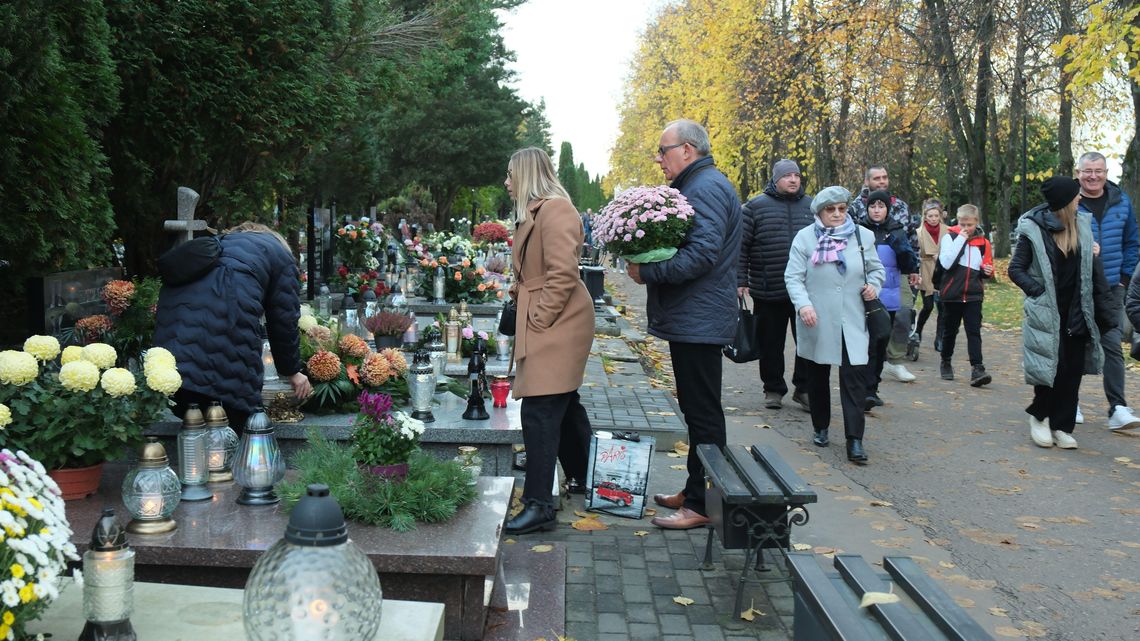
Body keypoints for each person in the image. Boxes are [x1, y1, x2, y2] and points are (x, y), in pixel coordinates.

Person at [626, 119, 741, 529]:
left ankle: (702, 504)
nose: (659, 159)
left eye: (664, 150)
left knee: (703, 413)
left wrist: (647, 272)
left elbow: (702, 255)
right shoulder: (698, 184)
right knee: (695, 410)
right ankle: (696, 489)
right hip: (695, 316)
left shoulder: (704, 187)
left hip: (700, 317)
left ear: (687, 150)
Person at [502, 147, 596, 535]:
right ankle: (589, 476)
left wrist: (538, 318)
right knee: (562, 401)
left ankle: (539, 504)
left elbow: (563, 274)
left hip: (559, 321)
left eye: (511, 175)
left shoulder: (555, 210)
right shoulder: (536, 212)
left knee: (540, 409)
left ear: (526, 175)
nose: (506, 182)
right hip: (549, 318)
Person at [154, 222, 312, 434]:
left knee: (193, 435)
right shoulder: (277, 252)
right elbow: (283, 319)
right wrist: (292, 371)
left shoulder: (213, 248)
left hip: (174, 364)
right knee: (233, 436)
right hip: (225, 362)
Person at [1008, 176, 1115, 449]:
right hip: (1048, 312)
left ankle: (1062, 426)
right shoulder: (1034, 229)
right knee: (1051, 367)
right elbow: (1015, 269)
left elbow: (1088, 269)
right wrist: (1039, 293)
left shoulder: (1082, 225)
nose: (1080, 198)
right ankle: (1040, 417)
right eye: (1076, 195)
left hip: (1078, 310)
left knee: (1073, 371)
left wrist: (1093, 253)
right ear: (1065, 201)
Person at [785, 186, 884, 463]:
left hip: (853, 318)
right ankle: (821, 426)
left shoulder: (862, 236)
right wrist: (803, 305)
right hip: (817, 317)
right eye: (831, 209)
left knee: (854, 379)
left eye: (842, 208)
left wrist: (874, 286)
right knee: (817, 375)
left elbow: (876, 270)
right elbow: (793, 277)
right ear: (819, 212)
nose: (838, 214)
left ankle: (855, 440)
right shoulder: (805, 238)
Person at [737, 159, 814, 412]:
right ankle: (773, 388)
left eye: (797, 175)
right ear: (775, 179)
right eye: (787, 176)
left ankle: (804, 389)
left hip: (805, 290)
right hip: (768, 287)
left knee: (807, 342)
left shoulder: (812, 206)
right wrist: (741, 280)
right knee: (771, 343)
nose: (793, 180)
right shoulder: (755, 207)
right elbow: (742, 246)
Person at [1074, 152, 1140, 431]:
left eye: (1098, 171)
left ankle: (1118, 408)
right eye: (1088, 171)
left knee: (1112, 345)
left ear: (1106, 173)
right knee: (1074, 344)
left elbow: (1132, 242)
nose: (1093, 176)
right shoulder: (1069, 202)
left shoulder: (1121, 201)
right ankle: (1069, 402)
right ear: (1078, 173)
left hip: (1111, 287)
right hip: (1075, 287)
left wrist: (1124, 280)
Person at [849, 165, 917, 382]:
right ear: (867, 181)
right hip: (867, 273)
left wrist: (914, 268)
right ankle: (866, 360)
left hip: (897, 270)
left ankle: (895, 360)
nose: (882, 181)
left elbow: (911, 237)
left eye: (885, 177)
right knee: (869, 317)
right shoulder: (855, 207)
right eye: (877, 178)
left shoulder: (901, 206)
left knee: (903, 314)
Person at [859, 190, 920, 409]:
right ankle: (864, 390)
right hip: (865, 294)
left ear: (887, 209)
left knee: (882, 341)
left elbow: (908, 264)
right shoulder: (858, 230)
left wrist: (899, 247)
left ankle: (873, 388)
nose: (876, 210)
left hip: (890, 294)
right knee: (867, 344)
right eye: (872, 206)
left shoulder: (897, 230)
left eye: (881, 206)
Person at [936, 204, 994, 386]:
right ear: (957, 221)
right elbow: (946, 263)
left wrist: (987, 271)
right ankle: (946, 361)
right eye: (962, 224)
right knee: (950, 330)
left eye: (969, 225)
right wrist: (961, 239)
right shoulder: (950, 237)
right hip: (952, 293)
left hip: (973, 294)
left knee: (974, 331)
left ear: (977, 222)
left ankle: (978, 368)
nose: (966, 228)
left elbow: (987, 267)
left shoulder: (983, 243)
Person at [915, 198, 949, 355]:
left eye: (936, 216)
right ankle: (918, 330)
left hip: (943, 271)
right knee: (928, 306)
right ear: (925, 216)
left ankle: (939, 338)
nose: (934, 219)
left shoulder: (948, 231)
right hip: (926, 270)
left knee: (942, 307)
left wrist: (941, 256)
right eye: (930, 216)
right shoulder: (919, 233)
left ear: (940, 216)